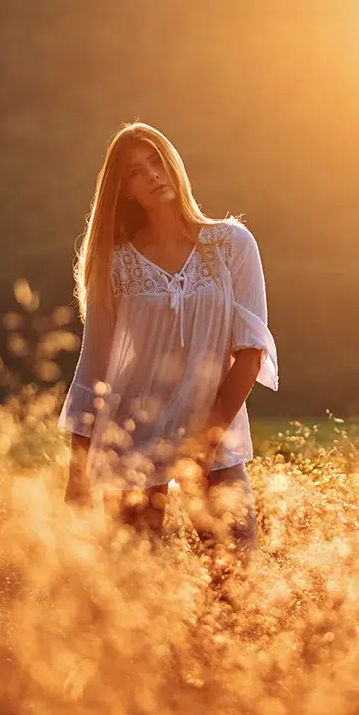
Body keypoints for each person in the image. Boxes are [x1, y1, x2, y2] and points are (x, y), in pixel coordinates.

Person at [58, 122, 278, 562]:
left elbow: (251, 354)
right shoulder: (115, 263)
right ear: (126, 190)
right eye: (138, 171)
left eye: (156, 160)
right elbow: (95, 368)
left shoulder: (231, 245)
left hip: (211, 432)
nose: (153, 174)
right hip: (131, 437)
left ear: (173, 163)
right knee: (136, 593)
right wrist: (78, 473)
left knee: (235, 580)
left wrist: (206, 442)